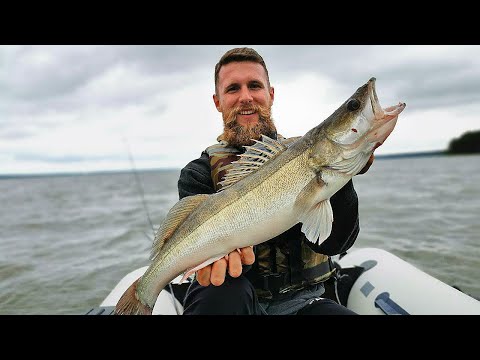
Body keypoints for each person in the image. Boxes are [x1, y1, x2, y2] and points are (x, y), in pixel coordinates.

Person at [177, 47, 374, 315]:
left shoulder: (308, 156)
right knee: (221, 294)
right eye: (233, 88)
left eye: (255, 86)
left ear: (270, 94)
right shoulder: (198, 173)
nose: (245, 97)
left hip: (305, 300)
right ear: (217, 101)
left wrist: (341, 175)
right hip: (232, 295)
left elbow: (334, 245)